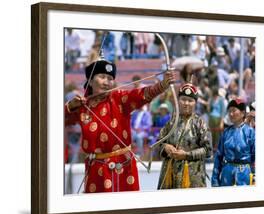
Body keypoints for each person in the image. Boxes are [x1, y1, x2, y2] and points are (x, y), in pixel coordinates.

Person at [65, 58, 176, 193]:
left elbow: (141, 95)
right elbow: (57, 121)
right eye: (102, 77)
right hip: (95, 171)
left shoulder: (119, 98)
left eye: (110, 78)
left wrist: (163, 84)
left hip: (124, 168)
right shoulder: (81, 106)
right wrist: (69, 107)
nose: (107, 82)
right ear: (90, 80)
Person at [157, 83, 212, 189]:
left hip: (192, 177)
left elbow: (208, 151)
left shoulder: (200, 124)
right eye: (183, 99)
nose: (186, 103)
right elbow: (159, 142)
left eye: (190, 100)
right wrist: (166, 147)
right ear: (178, 101)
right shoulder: (171, 122)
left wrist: (186, 155)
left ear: (195, 103)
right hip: (170, 176)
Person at [211, 99, 255, 187]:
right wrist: (215, 178)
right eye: (229, 111)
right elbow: (218, 157)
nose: (231, 114)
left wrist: (255, 176)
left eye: (234, 110)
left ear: (242, 113)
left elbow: (256, 156)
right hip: (226, 174)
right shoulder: (226, 133)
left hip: (244, 175)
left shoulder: (250, 132)